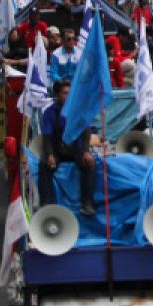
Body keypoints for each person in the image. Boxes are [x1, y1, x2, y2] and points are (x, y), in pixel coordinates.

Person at [39, 80, 96, 216]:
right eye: (65, 93)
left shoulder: (79, 110)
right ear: (57, 94)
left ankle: (86, 203)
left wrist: (86, 151)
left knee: (90, 163)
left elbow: (86, 132)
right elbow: (47, 136)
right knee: (44, 165)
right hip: (57, 148)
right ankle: (47, 203)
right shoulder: (50, 112)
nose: (68, 96)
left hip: (75, 148)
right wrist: (49, 155)